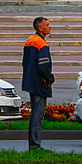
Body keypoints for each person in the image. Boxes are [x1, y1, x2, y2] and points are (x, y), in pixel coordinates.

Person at [22, 15, 54, 151]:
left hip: (30, 81)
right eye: (47, 24)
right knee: (37, 115)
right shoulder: (42, 44)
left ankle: (32, 144)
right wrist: (50, 79)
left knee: (34, 113)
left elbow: (24, 62)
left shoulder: (30, 41)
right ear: (40, 28)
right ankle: (35, 146)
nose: (49, 26)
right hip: (40, 83)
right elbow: (44, 66)